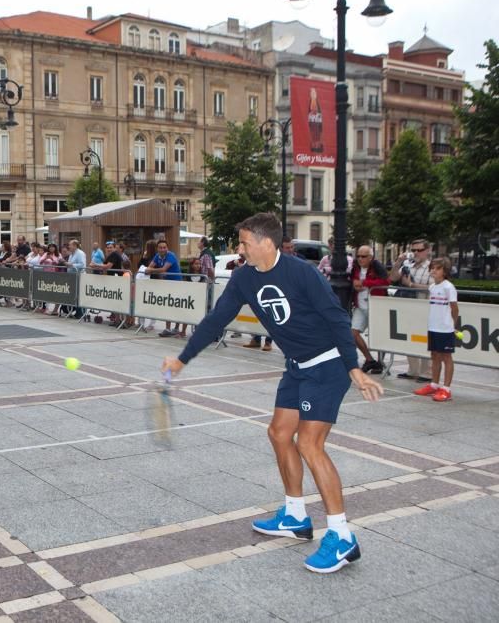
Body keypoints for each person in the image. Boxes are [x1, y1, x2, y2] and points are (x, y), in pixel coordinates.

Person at [162, 213, 383, 574]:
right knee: (279, 433)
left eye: (245, 242)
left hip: (326, 366)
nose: (240, 248)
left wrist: (353, 366)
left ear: (266, 243)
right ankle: (296, 515)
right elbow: (216, 320)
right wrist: (182, 360)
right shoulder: (244, 278)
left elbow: (336, 318)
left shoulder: (302, 273)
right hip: (297, 366)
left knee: (310, 444)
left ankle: (342, 536)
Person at [414, 258, 459, 402]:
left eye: (437, 268)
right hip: (433, 327)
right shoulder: (432, 287)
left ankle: (446, 389)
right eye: (432, 268)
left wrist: (452, 324)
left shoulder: (449, 287)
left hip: (445, 328)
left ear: (445, 272)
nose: (433, 270)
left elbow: (454, 308)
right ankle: (434, 385)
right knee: (435, 355)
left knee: (446, 357)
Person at [388, 239, 433, 381]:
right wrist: (398, 263)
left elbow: (432, 287)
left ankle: (427, 373)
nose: (416, 253)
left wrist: (411, 284)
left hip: (424, 305)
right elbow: (392, 278)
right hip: (407, 305)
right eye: (413, 250)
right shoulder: (408, 264)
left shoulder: (431, 266)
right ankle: (413, 370)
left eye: (419, 250)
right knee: (409, 336)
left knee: (425, 339)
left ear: (427, 250)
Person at [351, 245, 389, 374]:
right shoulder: (355, 267)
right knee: (353, 333)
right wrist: (355, 284)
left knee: (378, 336)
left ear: (371, 257)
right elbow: (352, 279)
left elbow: (385, 281)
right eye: (359, 256)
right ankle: (369, 359)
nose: (360, 259)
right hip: (360, 305)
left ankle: (380, 362)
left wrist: (365, 283)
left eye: (364, 256)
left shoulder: (377, 266)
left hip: (376, 305)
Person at [147, 240, 181, 337]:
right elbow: (149, 268)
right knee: (168, 306)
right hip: (167, 284)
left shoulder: (171, 255)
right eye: (160, 247)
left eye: (164, 247)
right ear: (157, 249)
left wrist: (151, 270)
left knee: (176, 307)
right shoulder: (157, 256)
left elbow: (163, 269)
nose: (162, 249)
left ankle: (176, 328)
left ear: (167, 248)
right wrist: (151, 269)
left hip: (176, 284)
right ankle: (167, 328)